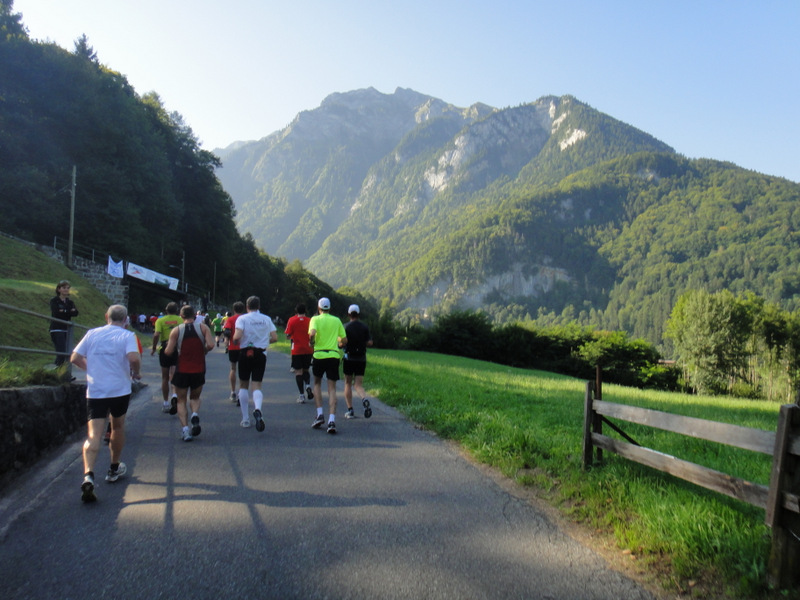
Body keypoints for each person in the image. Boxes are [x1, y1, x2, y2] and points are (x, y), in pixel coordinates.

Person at [70, 305, 141, 503]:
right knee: (117, 426)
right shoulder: (127, 336)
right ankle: (113, 467)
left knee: (93, 434)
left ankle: (88, 475)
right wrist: (135, 372)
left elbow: (74, 357)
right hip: (119, 390)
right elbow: (134, 357)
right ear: (126, 319)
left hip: (96, 390)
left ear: (106, 317)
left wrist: (89, 368)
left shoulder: (92, 334)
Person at [164, 305, 215, 442]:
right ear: (194, 315)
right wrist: (203, 351)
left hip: (182, 369)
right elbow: (210, 345)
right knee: (195, 397)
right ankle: (195, 414)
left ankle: (185, 430)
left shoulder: (176, 331)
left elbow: (168, 351)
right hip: (199, 368)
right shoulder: (203, 328)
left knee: (181, 400)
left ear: (181, 316)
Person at [232, 296, 277, 431]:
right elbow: (275, 337)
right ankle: (257, 409)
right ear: (259, 306)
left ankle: (245, 419)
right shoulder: (266, 319)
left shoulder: (242, 319)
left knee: (243, 384)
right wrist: (264, 341)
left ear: (247, 307)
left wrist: (235, 340)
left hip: (245, 353)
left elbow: (237, 336)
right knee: (257, 384)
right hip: (260, 353)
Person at [308, 297, 347, 434]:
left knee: (317, 383)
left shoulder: (315, 319)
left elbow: (312, 333)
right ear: (329, 308)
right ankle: (332, 420)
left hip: (319, 354)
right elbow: (344, 339)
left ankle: (320, 414)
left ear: (319, 308)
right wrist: (339, 343)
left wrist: (312, 341)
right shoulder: (336, 320)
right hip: (333, 355)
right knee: (332, 388)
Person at [342, 304, 374, 419]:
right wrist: (362, 342)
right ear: (359, 314)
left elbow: (342, 343)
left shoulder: (345, 326)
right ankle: (364, 399)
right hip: (361, 358)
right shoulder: (364, 327)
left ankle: (350, 410)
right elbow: (370, 343)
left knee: (347, 384)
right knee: (358, 385)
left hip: (349, 358)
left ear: (349, 314)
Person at [151, 302, 182, 414]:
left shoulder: (160, 320)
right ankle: (174, 394)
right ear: (177, 310)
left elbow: (156, 334)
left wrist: (154, 347)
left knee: (164, 377)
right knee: (173, 374)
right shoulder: (180, 320)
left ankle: (165, 402)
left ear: (166, 310)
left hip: (164, 348)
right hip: (176, 348)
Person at [284, 303, 314, 404]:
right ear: (305, 311)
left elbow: (288, 335)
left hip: (297, 350)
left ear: (296, 311)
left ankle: (301, 395)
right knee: (306, 370)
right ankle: (308, 385)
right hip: (308, 349)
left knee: (298, 372)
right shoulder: (310, 321)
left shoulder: (292, 320)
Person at [49, 280, 79, 367]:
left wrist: (64, 311)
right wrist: (68, 311)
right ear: (59, 289)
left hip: (67, 329)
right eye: (64, 288)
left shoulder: (70, 302)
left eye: (68, 288)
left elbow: (75, 313)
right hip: (57, 328)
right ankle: (59, 372)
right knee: (61, 351)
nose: (66, 290)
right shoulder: (55, 301)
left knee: (67, 352)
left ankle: (64, 373)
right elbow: (56, 313)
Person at [225, 302, 246, 404]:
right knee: (243, 370)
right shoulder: (246, 319)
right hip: (244, 347)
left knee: (233, 368)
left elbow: (227, 331)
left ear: (233, 309)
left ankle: (233, 392)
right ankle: (241, 394)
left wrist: (226, 341)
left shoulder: (230, 319)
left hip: (233, 346)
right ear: (243, 309)